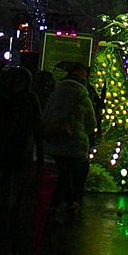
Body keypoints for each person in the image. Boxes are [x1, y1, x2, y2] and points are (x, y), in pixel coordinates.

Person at [39, 62, 97, 219]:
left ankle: (70, 204)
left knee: (64, 173)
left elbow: (45, 114)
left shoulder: (56, 93)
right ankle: (54, 206)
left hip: (56, 138)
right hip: (74, 141)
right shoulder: (82, 95)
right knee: (66, 174)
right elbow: (91, 122)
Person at [0, 67, 42, 214]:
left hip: (21, 141)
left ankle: (13, 204)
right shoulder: (14, 97)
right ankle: (7, 204)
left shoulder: (23, 97)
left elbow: (36, 120)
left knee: (17, 175)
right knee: (8, 174)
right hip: (11, 140)